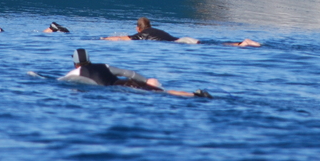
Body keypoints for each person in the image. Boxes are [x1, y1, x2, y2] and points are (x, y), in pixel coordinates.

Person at [59, 49, 211, 98]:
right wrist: (146, 81)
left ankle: (194, 96)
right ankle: (194, 94)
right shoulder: (104, 65)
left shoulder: (75, 72)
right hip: (128, 83)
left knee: (163, 95)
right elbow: (127, 72)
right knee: (162, 91)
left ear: (75, 62)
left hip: (122, 89)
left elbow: (62, 80)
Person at [103, 16, 261, 47]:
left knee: (214, 45)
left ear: (138, 28)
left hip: (182, 42)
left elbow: (123, 38)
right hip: (184, 39)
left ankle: (242, 43)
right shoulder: (155, 30)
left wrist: (105, 39)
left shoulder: (141, 35)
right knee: (214, 44)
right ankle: (242, 43)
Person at [103, 16, 182, 42]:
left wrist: (105, 38)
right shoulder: (158, 31)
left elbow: (121, 38)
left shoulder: (143, 34)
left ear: (138, 28)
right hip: (181, 40)